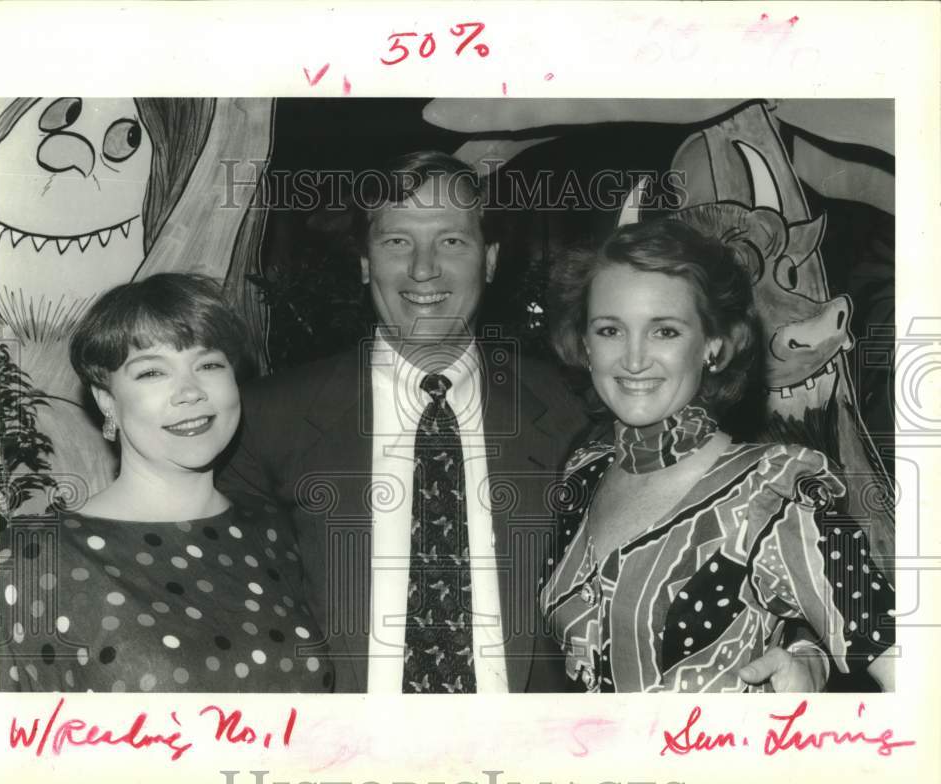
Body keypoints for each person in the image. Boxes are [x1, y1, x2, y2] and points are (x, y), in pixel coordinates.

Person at [217, 151, 820, 693]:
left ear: (490, 259)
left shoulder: (581, 408)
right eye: (397, 241)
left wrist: (803, 646)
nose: (424, 270)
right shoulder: (269, 420)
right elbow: (215, 594)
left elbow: (723, 521)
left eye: (452, 241)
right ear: (364, 263)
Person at [540, 218, 896, 693]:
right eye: (610, 330)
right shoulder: (585, 470)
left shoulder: (773, 491)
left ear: (712, 344)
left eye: (664, 331)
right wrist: (805, 645)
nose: (633, 358)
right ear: (585, 345)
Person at [0, 273, 333, 693]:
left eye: (209, 364)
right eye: (153, 372)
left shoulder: (275, 529)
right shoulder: (33, 559)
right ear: (107, 400)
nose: (190, 392)